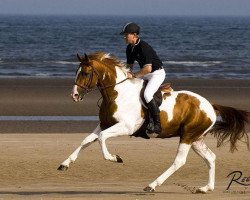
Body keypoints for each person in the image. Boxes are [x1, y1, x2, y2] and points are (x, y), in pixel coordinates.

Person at [120, 22, 166, 135]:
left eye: (126, 34)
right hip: (145, 73)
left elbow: (148, 69)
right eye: (124, 35)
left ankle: (157, 124)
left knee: (147, 94)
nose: (124, 37)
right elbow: (129, 66)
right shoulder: (129, 48)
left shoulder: (144, 47)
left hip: (156, 74)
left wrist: (134, 75)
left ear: (134, 35)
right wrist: (123, 74)